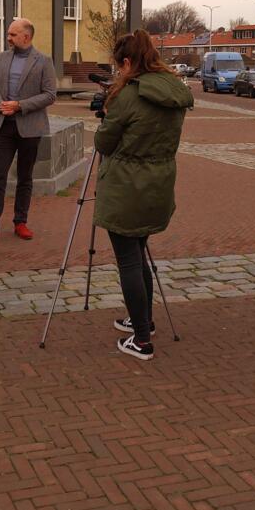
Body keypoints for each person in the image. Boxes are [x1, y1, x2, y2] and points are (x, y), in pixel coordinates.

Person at [93, 29, 193, 360]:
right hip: (158, 184)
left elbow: (104, 143)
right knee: (138, 253)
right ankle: (143, 322)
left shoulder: (129, 96)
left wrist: (107, 117)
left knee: (129, 261)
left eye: (119, 66)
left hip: (126, 186)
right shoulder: (174, 91)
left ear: (126, 62)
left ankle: (141, 339)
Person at [0, 18, 57, 243]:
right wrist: (0, 103)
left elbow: (50, 95)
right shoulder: (2, 59)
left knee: (25, 178)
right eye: (8, 34)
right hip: (4, 126)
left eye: (12, 35)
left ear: (26, 37)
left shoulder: (44, 61)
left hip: (30, 127)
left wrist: (20, 105)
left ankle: (20, 222)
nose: (8, 38)